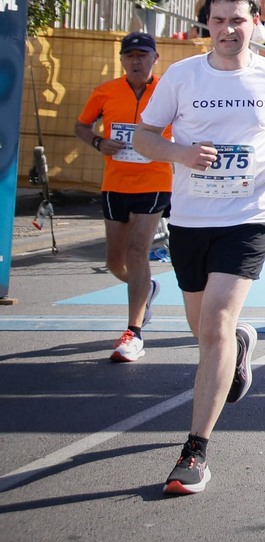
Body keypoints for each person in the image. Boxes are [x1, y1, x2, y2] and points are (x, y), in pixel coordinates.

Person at [132, 0, 265, 495]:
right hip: (191, 219)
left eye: (237, 20)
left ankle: (194, 452)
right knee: (204, 329)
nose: (228, 30)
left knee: (213, 323)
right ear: (207, 24)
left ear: (254, 21)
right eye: (218, 21)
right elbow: (144, 136)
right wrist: (181, 154)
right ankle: (238, 345)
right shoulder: (182, 75)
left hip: (249, 214)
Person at [74, 31, 171, 363]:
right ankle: (145, 290)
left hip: (155, 180)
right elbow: (81, 126)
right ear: (122, 60)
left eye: (142, 55)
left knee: (137, 250)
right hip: (115, 183)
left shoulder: (167, 91)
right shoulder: (105, 91)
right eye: (130, 55)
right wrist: (98, 142)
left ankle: (134, 331)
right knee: (115, 262)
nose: (136, 61)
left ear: (155, 58)